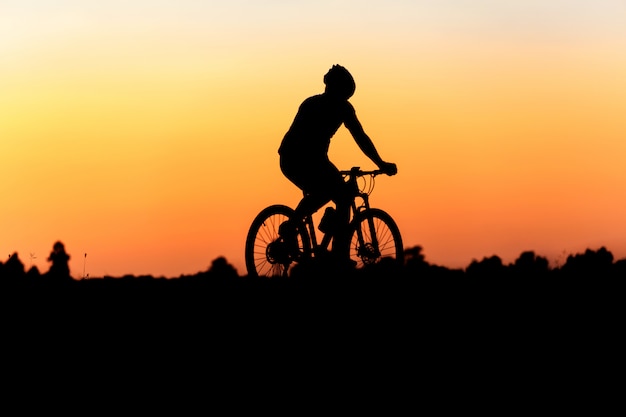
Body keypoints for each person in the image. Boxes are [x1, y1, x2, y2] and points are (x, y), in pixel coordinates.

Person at [278, 64, 397, 267]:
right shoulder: (320, 105)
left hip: (309, 159)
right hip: (298, 158)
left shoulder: (336, 106)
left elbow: (361, 137)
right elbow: (358, 138)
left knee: (336, 194)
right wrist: (381, 164)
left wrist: (380, 162)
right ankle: (297, 230)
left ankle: (332, 250)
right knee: (332, 194)